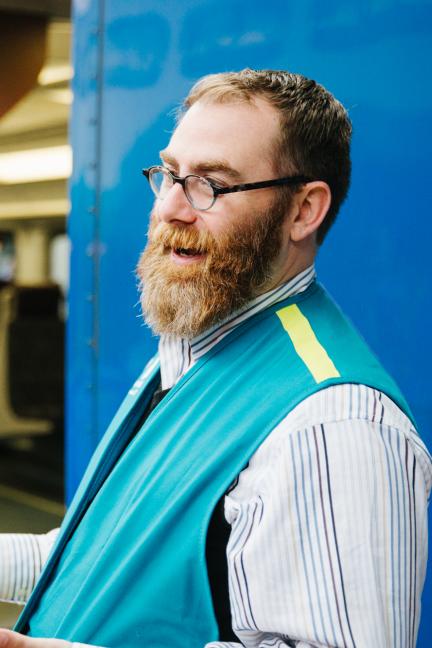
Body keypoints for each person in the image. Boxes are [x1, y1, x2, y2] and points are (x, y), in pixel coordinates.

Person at [0, 69, 431, 648]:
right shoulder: (196, 353)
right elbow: (100, 558)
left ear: (304, 210)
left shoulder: (334, 423)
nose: (171, 208)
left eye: (211, 185)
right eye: (170, 175)